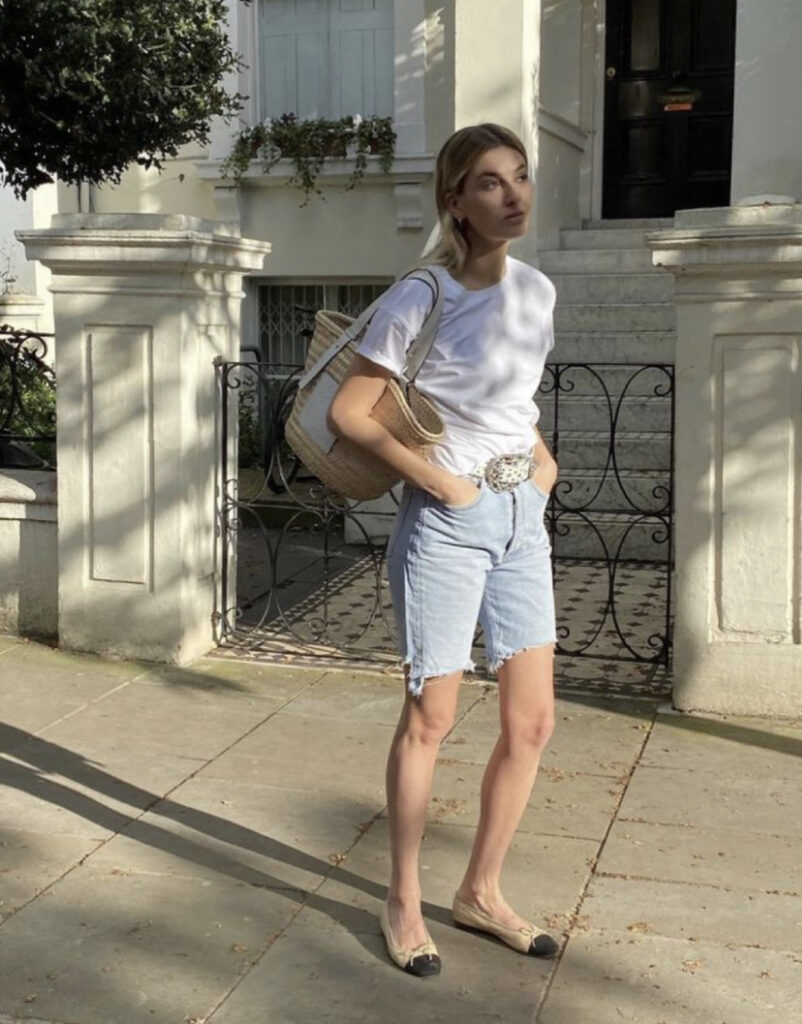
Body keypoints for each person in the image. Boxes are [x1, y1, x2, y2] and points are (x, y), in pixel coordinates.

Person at [329, 123, 559, 978]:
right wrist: (440, 482)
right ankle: (402, 899)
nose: (513, 194)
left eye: (520, 176)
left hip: (520, 520)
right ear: (456, 201)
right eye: (491, 182)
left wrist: (541, 468)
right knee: (431, 719)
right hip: (448, 524)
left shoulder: (536, 290)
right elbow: (349, 412)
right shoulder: (423, 293)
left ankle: (481, 892)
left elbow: (512, 400)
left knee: (532, 722)